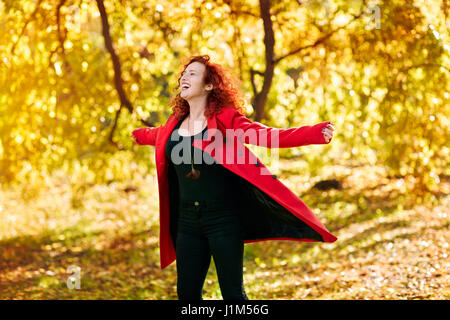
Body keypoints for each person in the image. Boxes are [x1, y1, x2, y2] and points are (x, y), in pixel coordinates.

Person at [132, 55, 336, 300]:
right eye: (184, 74)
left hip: (223, 222)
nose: (184, 77)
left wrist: (314, 133)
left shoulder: (225, 120)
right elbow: (155, 136)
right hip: (186, 224)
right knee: (186, 295)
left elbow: (268, 136)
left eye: (193, 74)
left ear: (209, 86)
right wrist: (135, 135)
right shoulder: (174, 124)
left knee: (233, 296)